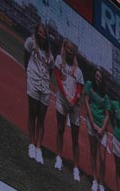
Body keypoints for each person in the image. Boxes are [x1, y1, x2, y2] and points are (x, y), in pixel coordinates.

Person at [23, 22, 54, 164]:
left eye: (44, 34)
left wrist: (46, 81)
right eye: (40, 32)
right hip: (33, 82)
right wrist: (28, 72)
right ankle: (31, 144)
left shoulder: (49, 55)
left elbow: (51, 71)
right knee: (32, 114)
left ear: (47, 37)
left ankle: (38, 148)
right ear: (36, 32)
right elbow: (25, 56)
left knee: (41, 119)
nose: (41, 35)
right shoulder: (31, 42)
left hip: (45, 87)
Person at [54, 38, 84, 181]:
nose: (70, 52)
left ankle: (76, 167)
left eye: (72, 50)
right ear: (64, 48)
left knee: (75, 138)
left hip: (74, 106)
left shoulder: (78, 71)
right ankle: (59, 157)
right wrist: (66, 97)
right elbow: (58, 79)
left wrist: (73, 101)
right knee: (60, 129)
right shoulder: (59, 60)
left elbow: (79, 90)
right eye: (68, 49)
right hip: (61, 99)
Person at [84, 66, 110, 191]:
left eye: (100, 77)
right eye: (97, 76)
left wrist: (102, 128)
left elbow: (107, 115)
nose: (97, 78)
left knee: (102, 157)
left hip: (102, 128)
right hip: (91, 123)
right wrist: (92, 123)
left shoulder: (105, 95)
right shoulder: (89, 85)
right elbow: (86, 102)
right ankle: (95, 180)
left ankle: (101, 183)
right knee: (93, 152)